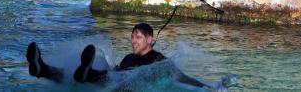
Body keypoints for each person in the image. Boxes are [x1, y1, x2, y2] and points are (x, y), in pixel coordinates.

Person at [26, 22, 209, 88]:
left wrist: (208, 87)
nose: (133, 41)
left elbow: (182, 77)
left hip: (127, 86)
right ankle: (43, 69)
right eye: (132, 37)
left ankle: (85, 73)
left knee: (95, 77)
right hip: (116, 81)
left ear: (150, 40)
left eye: (138, 37)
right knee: (79, 76)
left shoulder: (159, 59)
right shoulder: (129, 58)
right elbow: (116, 72)